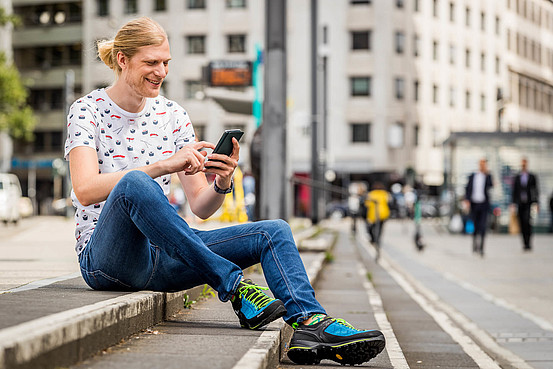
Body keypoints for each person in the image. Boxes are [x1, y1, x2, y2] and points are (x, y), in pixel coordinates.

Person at [64, 17, 384, 366]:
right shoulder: (88, 109)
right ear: (123, 60)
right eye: (151, 63)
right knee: (134, 184)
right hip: (106, 259)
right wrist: (161, 166)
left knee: (273, 231)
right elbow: (84, 190)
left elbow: (201, 206)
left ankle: (310, 322)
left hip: (164, 255)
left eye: (166, 62)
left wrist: (222, 182)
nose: (161, 71)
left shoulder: (173, 115)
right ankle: (234, 286)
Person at [464, 158, 493, 256]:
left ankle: (481, 247)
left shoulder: (488, 176)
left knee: (483, 226)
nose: (482, 166)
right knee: (475, 225)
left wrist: (487, 174)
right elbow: (468, 188)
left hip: (484, 204)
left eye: (484, 164)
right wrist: (467, 200)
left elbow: (491, 185)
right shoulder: (473, 176)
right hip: (474, 204)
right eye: (481, 164)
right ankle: (475, 244)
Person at [511, 158, 539, 251]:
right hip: (520, 203)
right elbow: (514, 191)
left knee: (527, 222)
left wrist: (536, 203)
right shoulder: (517, 177)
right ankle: (524, 242)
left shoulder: (532, 176)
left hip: (529, 203)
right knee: (521, 223)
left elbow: (536, 190)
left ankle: (529, 242)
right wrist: (513, 203)